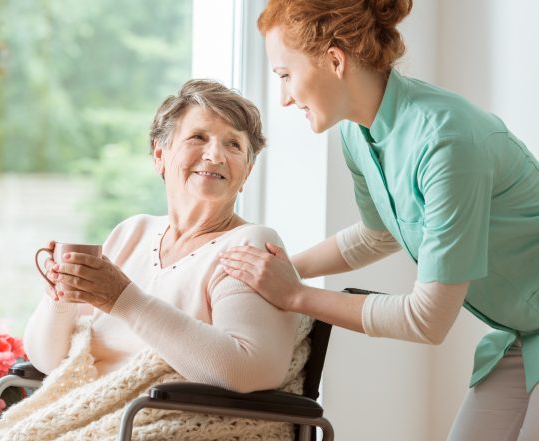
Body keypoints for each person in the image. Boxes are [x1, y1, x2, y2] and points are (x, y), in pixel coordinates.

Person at [218, 1, 539, 440]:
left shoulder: (446, 142)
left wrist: (295, 294)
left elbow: (427, 319)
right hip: (523, 333)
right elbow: (378, 234)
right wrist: (281, 267)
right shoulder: (357, 130)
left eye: (285, 75)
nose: (285, 97)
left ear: (334, 60)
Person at [0, 79, 309, 441]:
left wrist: (122, 300)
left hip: (157, 429)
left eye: (233, 144)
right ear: (160, 155)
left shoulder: (249, 245)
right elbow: (48, 359)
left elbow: (250, 370)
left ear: (246, 171)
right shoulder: (132, 234)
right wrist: (60, 297)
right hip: (88, 422)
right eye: (198, 137)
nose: (215, 155)